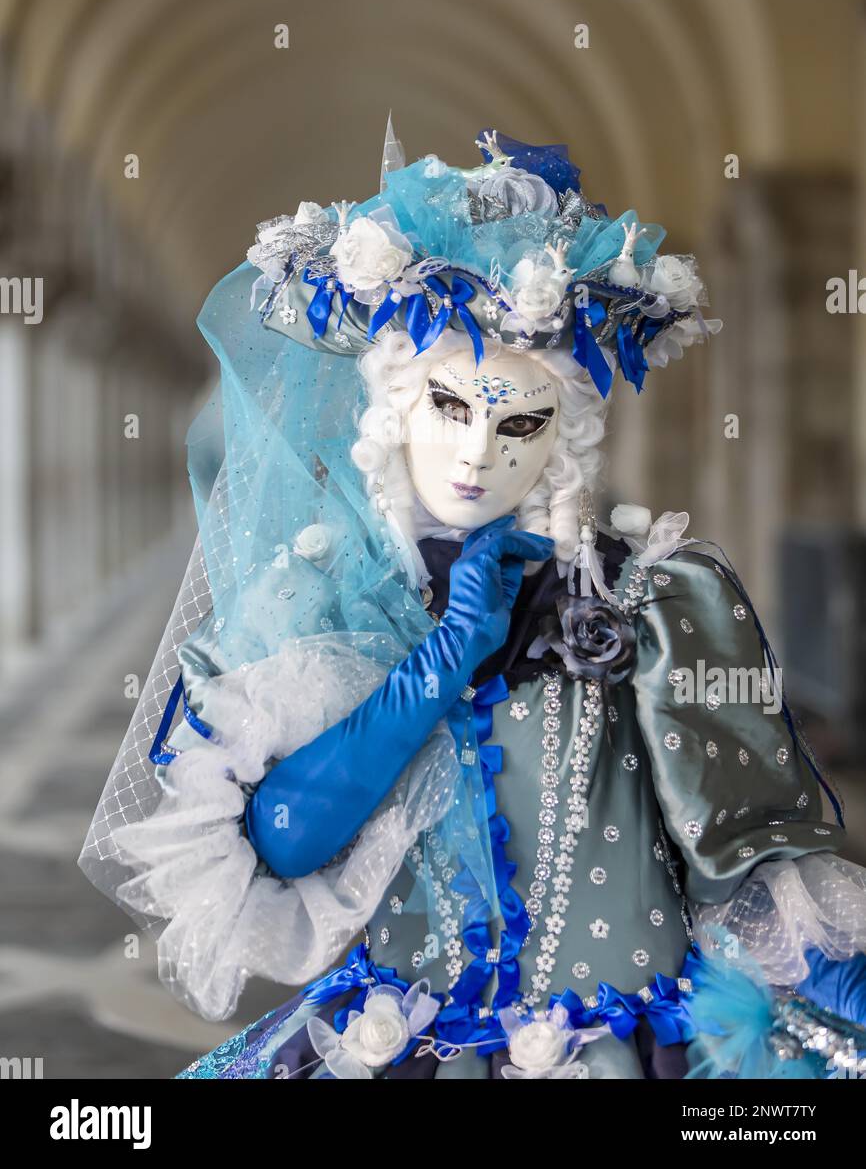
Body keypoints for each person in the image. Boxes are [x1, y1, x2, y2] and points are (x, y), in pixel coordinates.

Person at [79, 127, 866, 1080]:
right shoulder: (329, 605)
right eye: (449, 407)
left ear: (562, 435)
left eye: (520, 422)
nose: (478, 453)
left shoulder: (655, 594)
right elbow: (279, 847)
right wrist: (438, 664)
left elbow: (751, 874)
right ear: (395, 407)